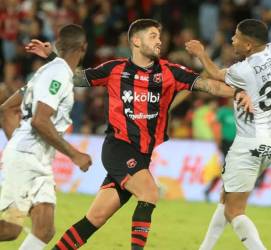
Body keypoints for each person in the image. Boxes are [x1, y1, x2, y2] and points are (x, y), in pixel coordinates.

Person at [26, 19, 251, 250]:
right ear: (136, 40)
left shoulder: (170, 72)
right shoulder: (114, 69)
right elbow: (76, 77)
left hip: (142, 155)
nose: (159, 41)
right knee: (150, 193)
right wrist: (53, 58)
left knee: (95, 218)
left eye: (159, 36)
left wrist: (239, 93)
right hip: (118, 147)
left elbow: (210, 86)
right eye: (153, 36)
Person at [185, 18, 271, 250]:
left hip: (248, 143)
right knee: (226, 197)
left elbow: (215, 74)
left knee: (234, 211)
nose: (232, 40)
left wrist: (200, 53)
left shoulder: (243, 70)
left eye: (236, 37)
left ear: (248, 45)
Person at [0, 24, 92, 250]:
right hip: (28, 162)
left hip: (35, 161)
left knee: (44, 229)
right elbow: (40, 120)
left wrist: (18, 147)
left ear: (58, 46)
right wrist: (75, 154)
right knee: (10, 229)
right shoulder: (58, 74)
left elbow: (7, 109)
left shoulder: (48, 72)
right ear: (84, 47)